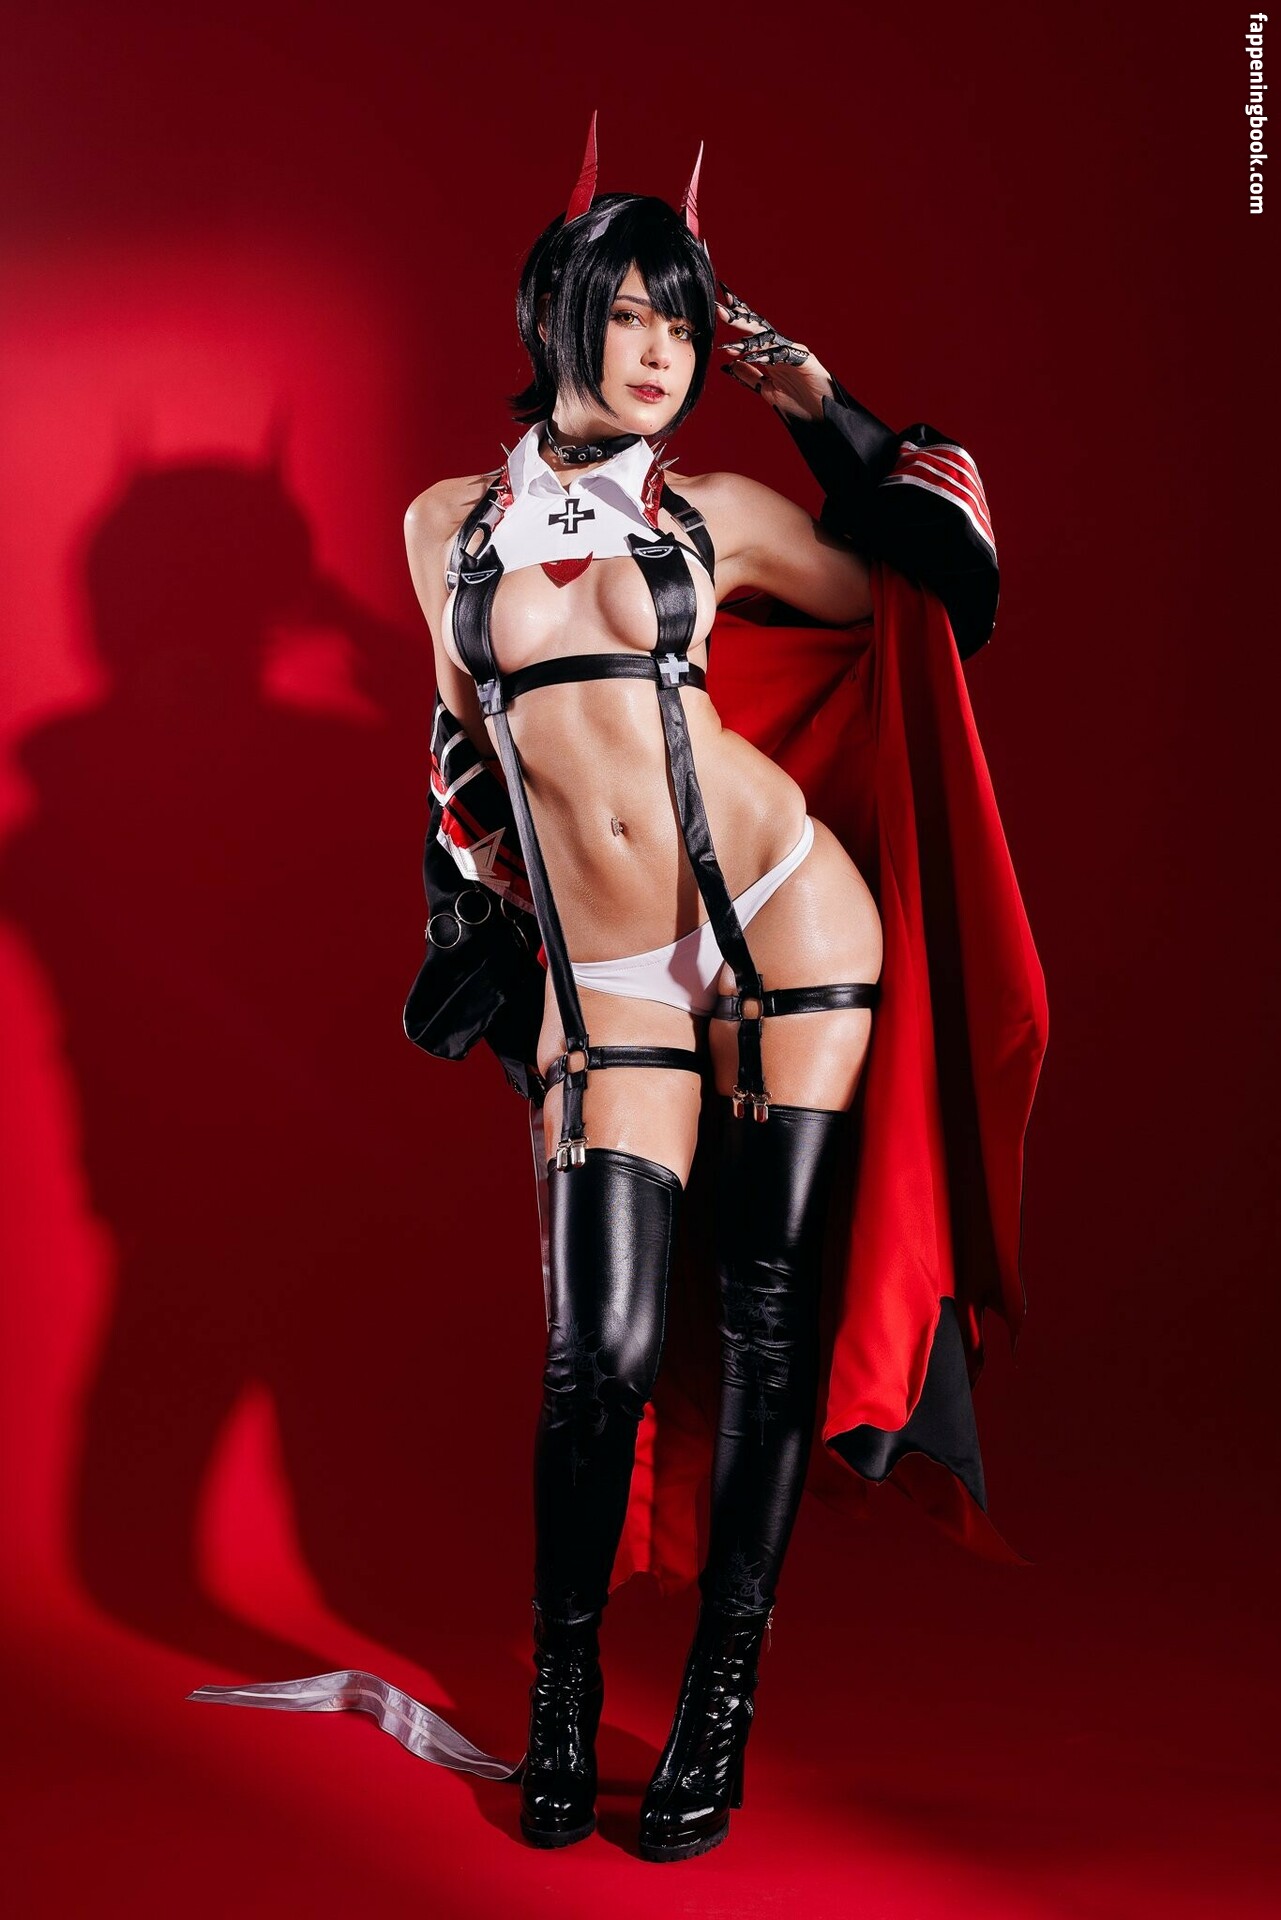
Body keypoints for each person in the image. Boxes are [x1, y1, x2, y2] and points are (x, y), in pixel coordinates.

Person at [188, 114, 1048, 1866]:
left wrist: (816, 404)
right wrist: (466, 892)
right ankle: (565, 1697)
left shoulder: (720, 515)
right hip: (610, 977)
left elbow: (936, 596)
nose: (661, 351)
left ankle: (719, 1701)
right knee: (600, 1357)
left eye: (683, 321)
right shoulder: (443, 528)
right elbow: (460, 746)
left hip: (791, 929)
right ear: (555, 318)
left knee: (768, 1326)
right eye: (632, 313)